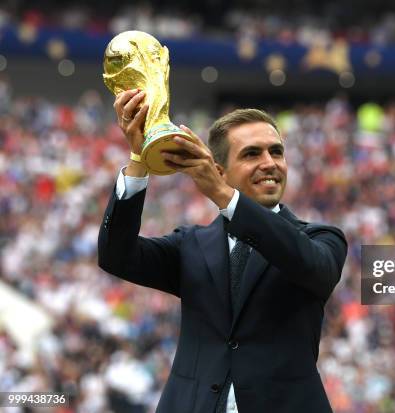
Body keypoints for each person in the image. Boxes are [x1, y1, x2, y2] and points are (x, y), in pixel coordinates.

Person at [97, 88, 348, 413]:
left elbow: (310, 266)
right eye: (251, 154)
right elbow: (117, 256)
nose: (269, 163)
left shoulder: (321, 238)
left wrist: (223, 195)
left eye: (276, 152)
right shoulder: (192, 244)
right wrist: (138, 161)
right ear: (219, 170)